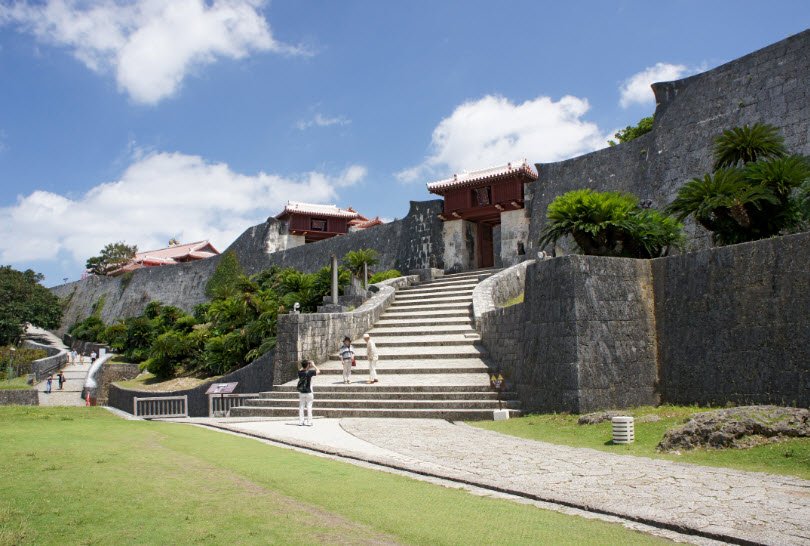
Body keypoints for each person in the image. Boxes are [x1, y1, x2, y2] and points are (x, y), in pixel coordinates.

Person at [297, 360, 319, 426]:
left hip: (302, 392)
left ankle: (301, 422)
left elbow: (301, 369)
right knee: (309, 407)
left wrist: (305, 365)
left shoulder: (299, 372)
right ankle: (309, 422)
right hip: (309, 392)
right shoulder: (310, 372)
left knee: (301, 407)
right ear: (307, 365)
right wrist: (313, 365)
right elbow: (318, 371)